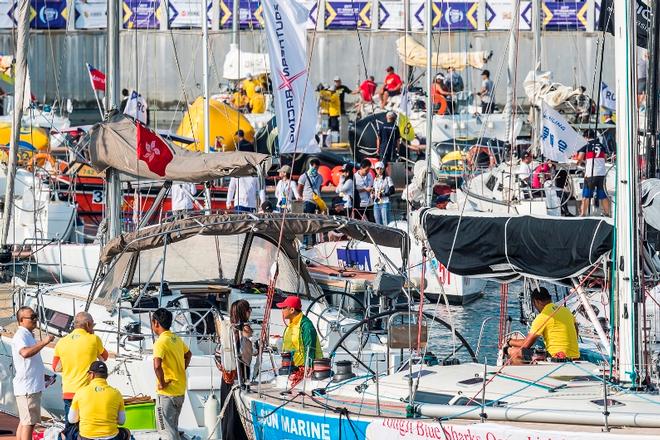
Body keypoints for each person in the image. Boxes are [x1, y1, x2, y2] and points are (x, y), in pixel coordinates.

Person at [53, 311, 108, 440]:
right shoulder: (94, 339)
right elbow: (104, 357)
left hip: (69, 392)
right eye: (92, 325)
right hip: (87, 393)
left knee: (70, 428)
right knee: (88, 428)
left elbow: (55, 367)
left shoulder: (62, 342)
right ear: (88, 324)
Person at [507, 287, 579, 365]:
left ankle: (523, 375)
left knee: (513, 352)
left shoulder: (543, 316)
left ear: (536, 301)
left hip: (557, 358)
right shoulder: (566, 311)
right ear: (550, 298)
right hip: (575, 356)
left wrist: (509, 342)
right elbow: (576, 332)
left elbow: (526, 344)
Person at [11, 307, 53, 440]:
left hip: (29, 386)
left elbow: (30, 361)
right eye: (32, 317)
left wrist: (42, 375)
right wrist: (44, 342)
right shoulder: (21, 335)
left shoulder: (28, 335)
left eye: (36, 316)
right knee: (29, 424)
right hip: (28, 388)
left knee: (24, 422)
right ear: (22, 320)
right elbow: (25, 353)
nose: (35, 320)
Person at [152, 308, 192, 440]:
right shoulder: (176, 339)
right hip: (179, 391)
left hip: (167, 394)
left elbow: (157, 365)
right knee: (173, 428)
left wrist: (162, 383)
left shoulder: (160, 342)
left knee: (165, 430)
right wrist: (181, 368)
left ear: (156, 323)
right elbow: (188, 354)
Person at [215, 300, 252, 440]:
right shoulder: (245, 329)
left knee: (227, 411)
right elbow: (247, 355)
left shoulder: (226, 328)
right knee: (237, 413)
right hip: (240, 376)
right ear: (246, 312)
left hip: (227, 376)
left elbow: (218, 353)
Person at [68, 361, 130, 440]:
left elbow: (72, 420)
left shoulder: (80, 392)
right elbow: (121, 421)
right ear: (106, 376)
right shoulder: (117, 394)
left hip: (87, 436)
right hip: (111, 436)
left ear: (92, 374)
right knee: (126, 432)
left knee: (66, 432)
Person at [277, 296, 322, 370]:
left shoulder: (306, 325)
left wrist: (307, 369)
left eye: (284, 308)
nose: (282, 310)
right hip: (291, 368)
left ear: (292, 310)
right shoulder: (290, 325)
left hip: (303, 370)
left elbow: (310, 350)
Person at [577, 130, 610, 216]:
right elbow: (605, 158)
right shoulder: (601, 145)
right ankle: (607, 213)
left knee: (586, 196)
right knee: (603, 195)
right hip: (602, 174)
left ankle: (583, 214)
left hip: (590, 174)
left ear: (585, 137)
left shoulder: (585, 145)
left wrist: (582, 162)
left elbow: (579, 158)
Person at [297, 159, 323, 246]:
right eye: (314, 167)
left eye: (317, 168)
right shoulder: (304, 176)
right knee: (306, 221)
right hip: (307, 200)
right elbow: (299, 187)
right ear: (311, 166)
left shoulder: (320, 177)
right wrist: (301, 197)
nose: (315, 169)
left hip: (316, 202)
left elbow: (320, 189)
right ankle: (305, 242)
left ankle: (313, 242)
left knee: (314, 222)